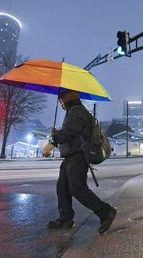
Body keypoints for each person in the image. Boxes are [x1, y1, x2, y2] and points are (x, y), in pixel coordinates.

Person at [42, 90, 116, 234]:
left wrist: (53, 141)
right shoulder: (74, 112)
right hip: (71, 155)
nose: (61, 105)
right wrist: (56, 134)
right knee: (62, 187)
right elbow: (70, 132)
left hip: (79, 156)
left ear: (66, 100)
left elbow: (70, 132)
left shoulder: (77, 111)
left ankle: (106, 212)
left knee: (78, 188)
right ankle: (66, 218)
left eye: (61, 101)